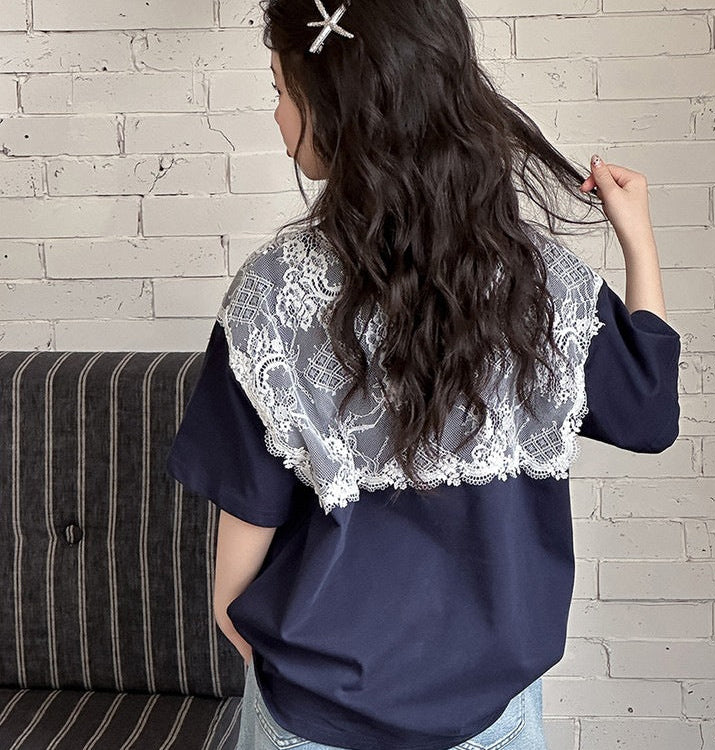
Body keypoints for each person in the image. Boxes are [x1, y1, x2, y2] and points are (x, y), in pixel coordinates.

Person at [165, 1, 681, 749]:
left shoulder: (272, 296)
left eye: (280, 89)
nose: (276, 115)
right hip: (490, 717)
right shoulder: (539, 283)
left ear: (337, 107)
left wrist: (249, 633)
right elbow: (649, 416)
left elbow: (238, 560)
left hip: (317, 712)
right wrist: (640, 242)